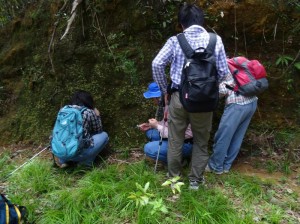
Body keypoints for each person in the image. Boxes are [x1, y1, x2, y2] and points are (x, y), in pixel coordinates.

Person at [152, 3, 230, 190]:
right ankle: (196, 181)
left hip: (179, 97)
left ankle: (174, 180)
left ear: (181, 24)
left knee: (175, 140)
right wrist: (209, 90)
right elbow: (224, 73)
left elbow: (157, 64)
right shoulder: (215, 40)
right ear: (201, 21)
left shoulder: (175, 41)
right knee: (201, 142)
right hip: (204, 102)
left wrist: (165, 91)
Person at [207, 73, 257, 174]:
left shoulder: (222, 69)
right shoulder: (235, 65)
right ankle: (226, 166)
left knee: (223, 136)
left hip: (237, 105)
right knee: (237, 136)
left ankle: (215, 167)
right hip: (252, 102)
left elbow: (223, 90)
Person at [138, 82, 193, 164]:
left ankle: (178, 162)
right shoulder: (168, 103)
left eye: (154, 98)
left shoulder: (177, 107)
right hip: (174, 137)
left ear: (159, 97)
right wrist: (150, 125)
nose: (154, 101)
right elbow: (167, 123)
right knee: (151, 133)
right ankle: (163, 151)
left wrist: (157, 126)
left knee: (148, 148)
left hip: (185, 143)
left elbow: (177, 134)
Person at [58, 90, 109, 168]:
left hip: (61, 151)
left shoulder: (63, 110)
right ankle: (85, 163)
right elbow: (98, 130)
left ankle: (64, 161)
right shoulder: (88, 112)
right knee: (104, 136)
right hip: (79, 153)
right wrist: (97, 116)